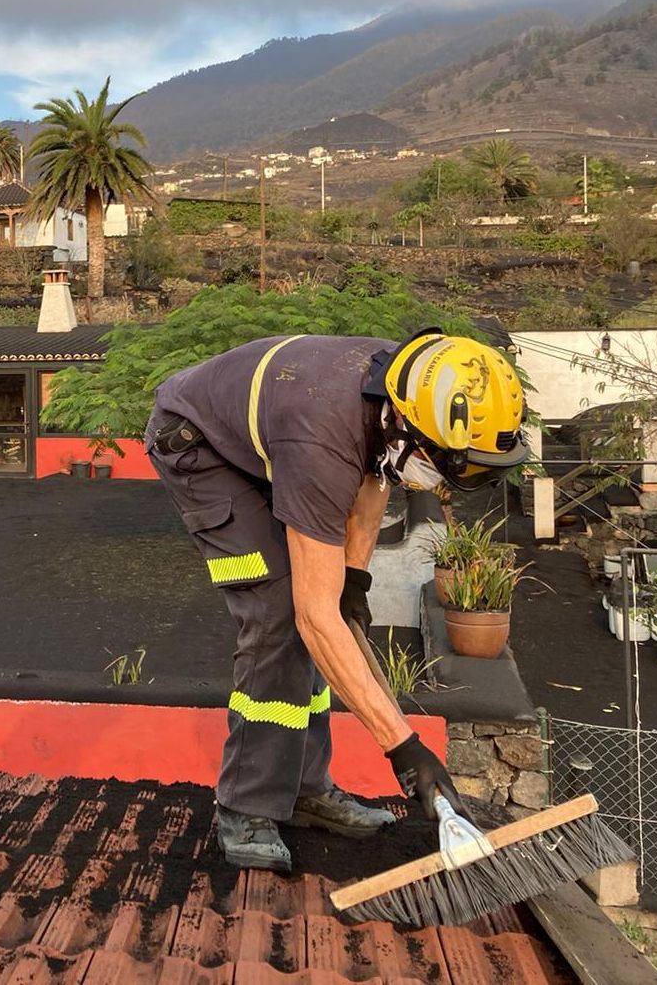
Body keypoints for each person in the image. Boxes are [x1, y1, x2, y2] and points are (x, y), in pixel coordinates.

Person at [146, 329, 528, 872]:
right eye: (447, 466)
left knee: (328, 611)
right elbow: (313, 616)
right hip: (197, 448)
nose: (446, 484)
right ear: (406, 427)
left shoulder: (400, 391)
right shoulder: (322, 437)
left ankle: (305, 791)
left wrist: (353, 580)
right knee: (282, 612)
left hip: (273, 439)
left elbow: (374, 477)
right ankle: (245, 806)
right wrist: (404, 748)